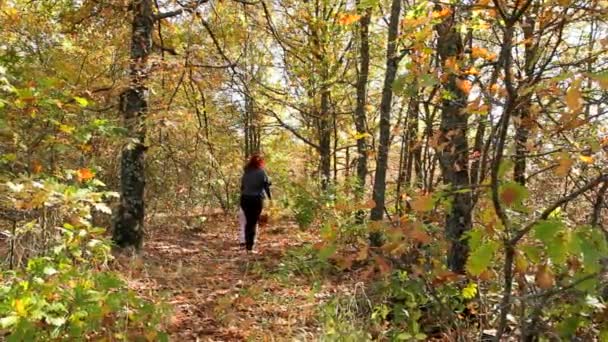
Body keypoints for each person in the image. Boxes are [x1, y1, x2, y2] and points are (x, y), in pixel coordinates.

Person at [239, 154, 271, 252]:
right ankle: (250, 247)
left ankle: (248, 243)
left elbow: (242, 187)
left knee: (248, 222)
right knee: (252, 222)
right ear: (260, 162)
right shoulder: (261, 172)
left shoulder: (246, 172)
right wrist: (270, 198)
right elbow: (266, 186)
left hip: (244, 199)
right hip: (255, 199)